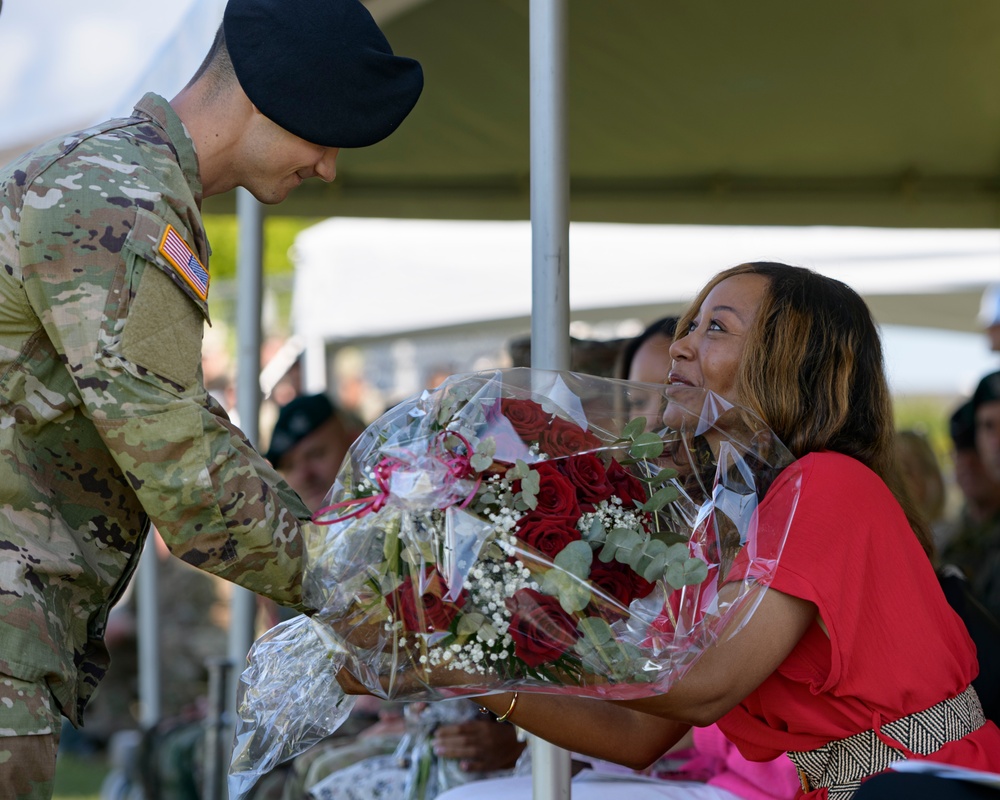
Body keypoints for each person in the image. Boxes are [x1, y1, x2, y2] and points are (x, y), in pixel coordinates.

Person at [340, 263, 1000, 800]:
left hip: (924, 785)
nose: (681, 345)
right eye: (690, 325)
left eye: (715, 328)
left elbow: (706, 686)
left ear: (791, 360)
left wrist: (497, 632)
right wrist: (444, 664)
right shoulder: (720, 516)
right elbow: (635, 733)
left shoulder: (827, 484)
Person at [0, 0, 422, 796]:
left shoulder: (124, 183)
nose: (327, 165)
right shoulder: (120, 200)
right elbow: (186, 475)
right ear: (270, 95)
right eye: (323, 131)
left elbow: (186, 428)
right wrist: (371, 586)